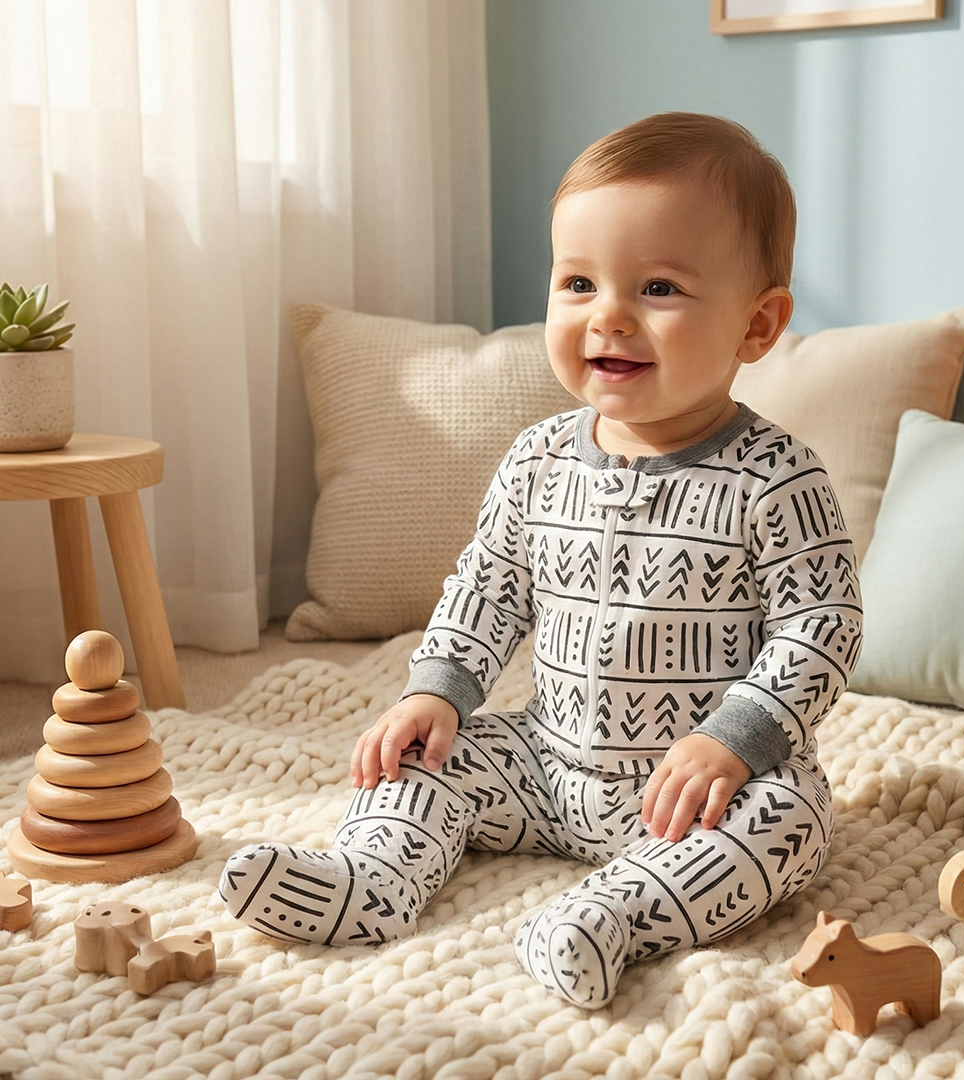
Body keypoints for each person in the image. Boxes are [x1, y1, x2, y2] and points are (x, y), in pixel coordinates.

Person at [219, 112, 863, 1009]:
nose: (609, 316)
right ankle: (368, 881)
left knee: (791, 822)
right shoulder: (539, 458)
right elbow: (487, 588)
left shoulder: (776, 476)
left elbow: (821, 624)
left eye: (660, 287)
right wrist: (435, 691)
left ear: (758, 326)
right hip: (547, 762)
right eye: (579, 282)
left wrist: (734, 739)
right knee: (419, 764)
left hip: (701, 788)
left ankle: (614, 914)